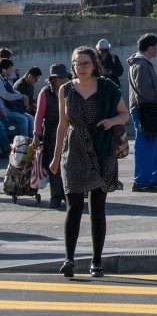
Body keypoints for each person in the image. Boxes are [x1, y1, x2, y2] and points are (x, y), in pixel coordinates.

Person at [48, 46, 130, 278]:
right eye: (77, 63)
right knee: (73, 206)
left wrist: (111, 121)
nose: (81, 67)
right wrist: (55, 158)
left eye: (86, 63)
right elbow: (62, 125)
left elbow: (125, 113)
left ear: (94, 65)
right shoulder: (65, 89)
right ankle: (69, 260)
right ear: (72, 66)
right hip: (73, 151)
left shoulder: (107, 87)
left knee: (97, 208)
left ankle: (96, 262)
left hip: (101, 149)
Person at [126, 34, 157, 192]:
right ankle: (141, 181)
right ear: (150, 47)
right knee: (147, 146)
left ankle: (153, 179)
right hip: (146, 110)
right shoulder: (141, 65)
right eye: (156, 46)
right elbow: (144, 90)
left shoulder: (142, 63)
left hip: (151, 110)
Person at [34, 63, 70, 211]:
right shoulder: (45, 93)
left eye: (64, 77)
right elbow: (39, 115)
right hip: (51, 133)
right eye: (60, 78)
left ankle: (66, 195)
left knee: (67, 165)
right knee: (54, 166)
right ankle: (55, 197)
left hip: (68, 132)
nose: (63, 80)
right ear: (54, 80)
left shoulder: (70, 90)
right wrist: (36, 134)